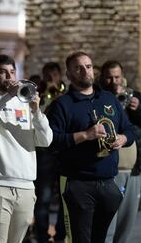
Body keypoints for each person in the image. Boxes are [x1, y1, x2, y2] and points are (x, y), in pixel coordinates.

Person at [46, 51, 135, 243]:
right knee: (80, 240)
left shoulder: (109, 99)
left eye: (88, 66)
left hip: (108, 181)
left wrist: (122, 138)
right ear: (69, 75)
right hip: (78, 183)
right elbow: (51, 143)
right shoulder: (62, 104)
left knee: (100, 240)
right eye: (78, 68)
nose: (85, 71)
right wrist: (85, 135)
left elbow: (130, 129)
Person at [0, 54, 53, 243]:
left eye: (12, 72)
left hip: (26, 186)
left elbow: (46, 140)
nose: (10, 78)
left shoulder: (25, 102)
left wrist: (36, 111)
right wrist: (7, 97)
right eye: (3, 73)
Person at [100, 60, 141, 243]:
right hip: (108, 170)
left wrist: (138, 110)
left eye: (117, 77)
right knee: (106, 224)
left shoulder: (135, 97)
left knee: (127, 223)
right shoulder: (98, 97)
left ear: (122, 77)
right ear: (102, 78)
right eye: (109, 77)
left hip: (133, 171)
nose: (114, 81)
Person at [33, 62, 66, 243]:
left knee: (63, 196)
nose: (50, 78)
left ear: (60, 75)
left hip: (62, 152)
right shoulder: (39, 95)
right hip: (44, 152)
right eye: (47, 74)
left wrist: (59, 95)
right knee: (43, 197)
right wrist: (46, 95)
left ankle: (61, 234)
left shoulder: (66, 94)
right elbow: (38, 117)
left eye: (53, 74)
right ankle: (42, 236)